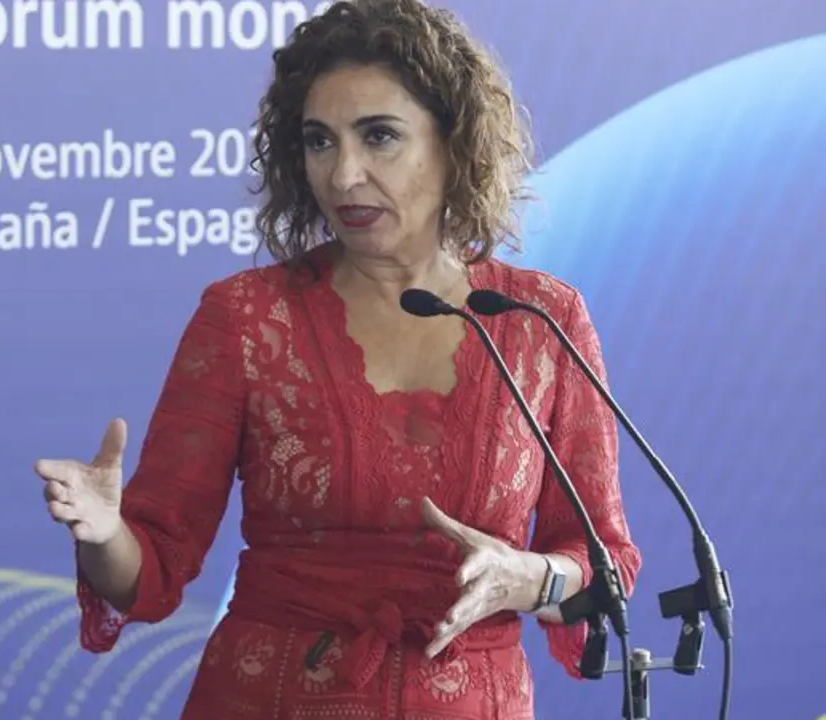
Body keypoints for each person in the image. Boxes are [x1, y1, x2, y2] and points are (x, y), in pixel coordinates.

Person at [33, 0, 643, 716]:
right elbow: (151, 570)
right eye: (320, 142)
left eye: (379, 137)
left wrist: (530, 579)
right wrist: (106, 533)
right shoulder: (245, 317)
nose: (344, 174)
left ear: (453, 142)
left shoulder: (541, 320)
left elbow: (603, 564)